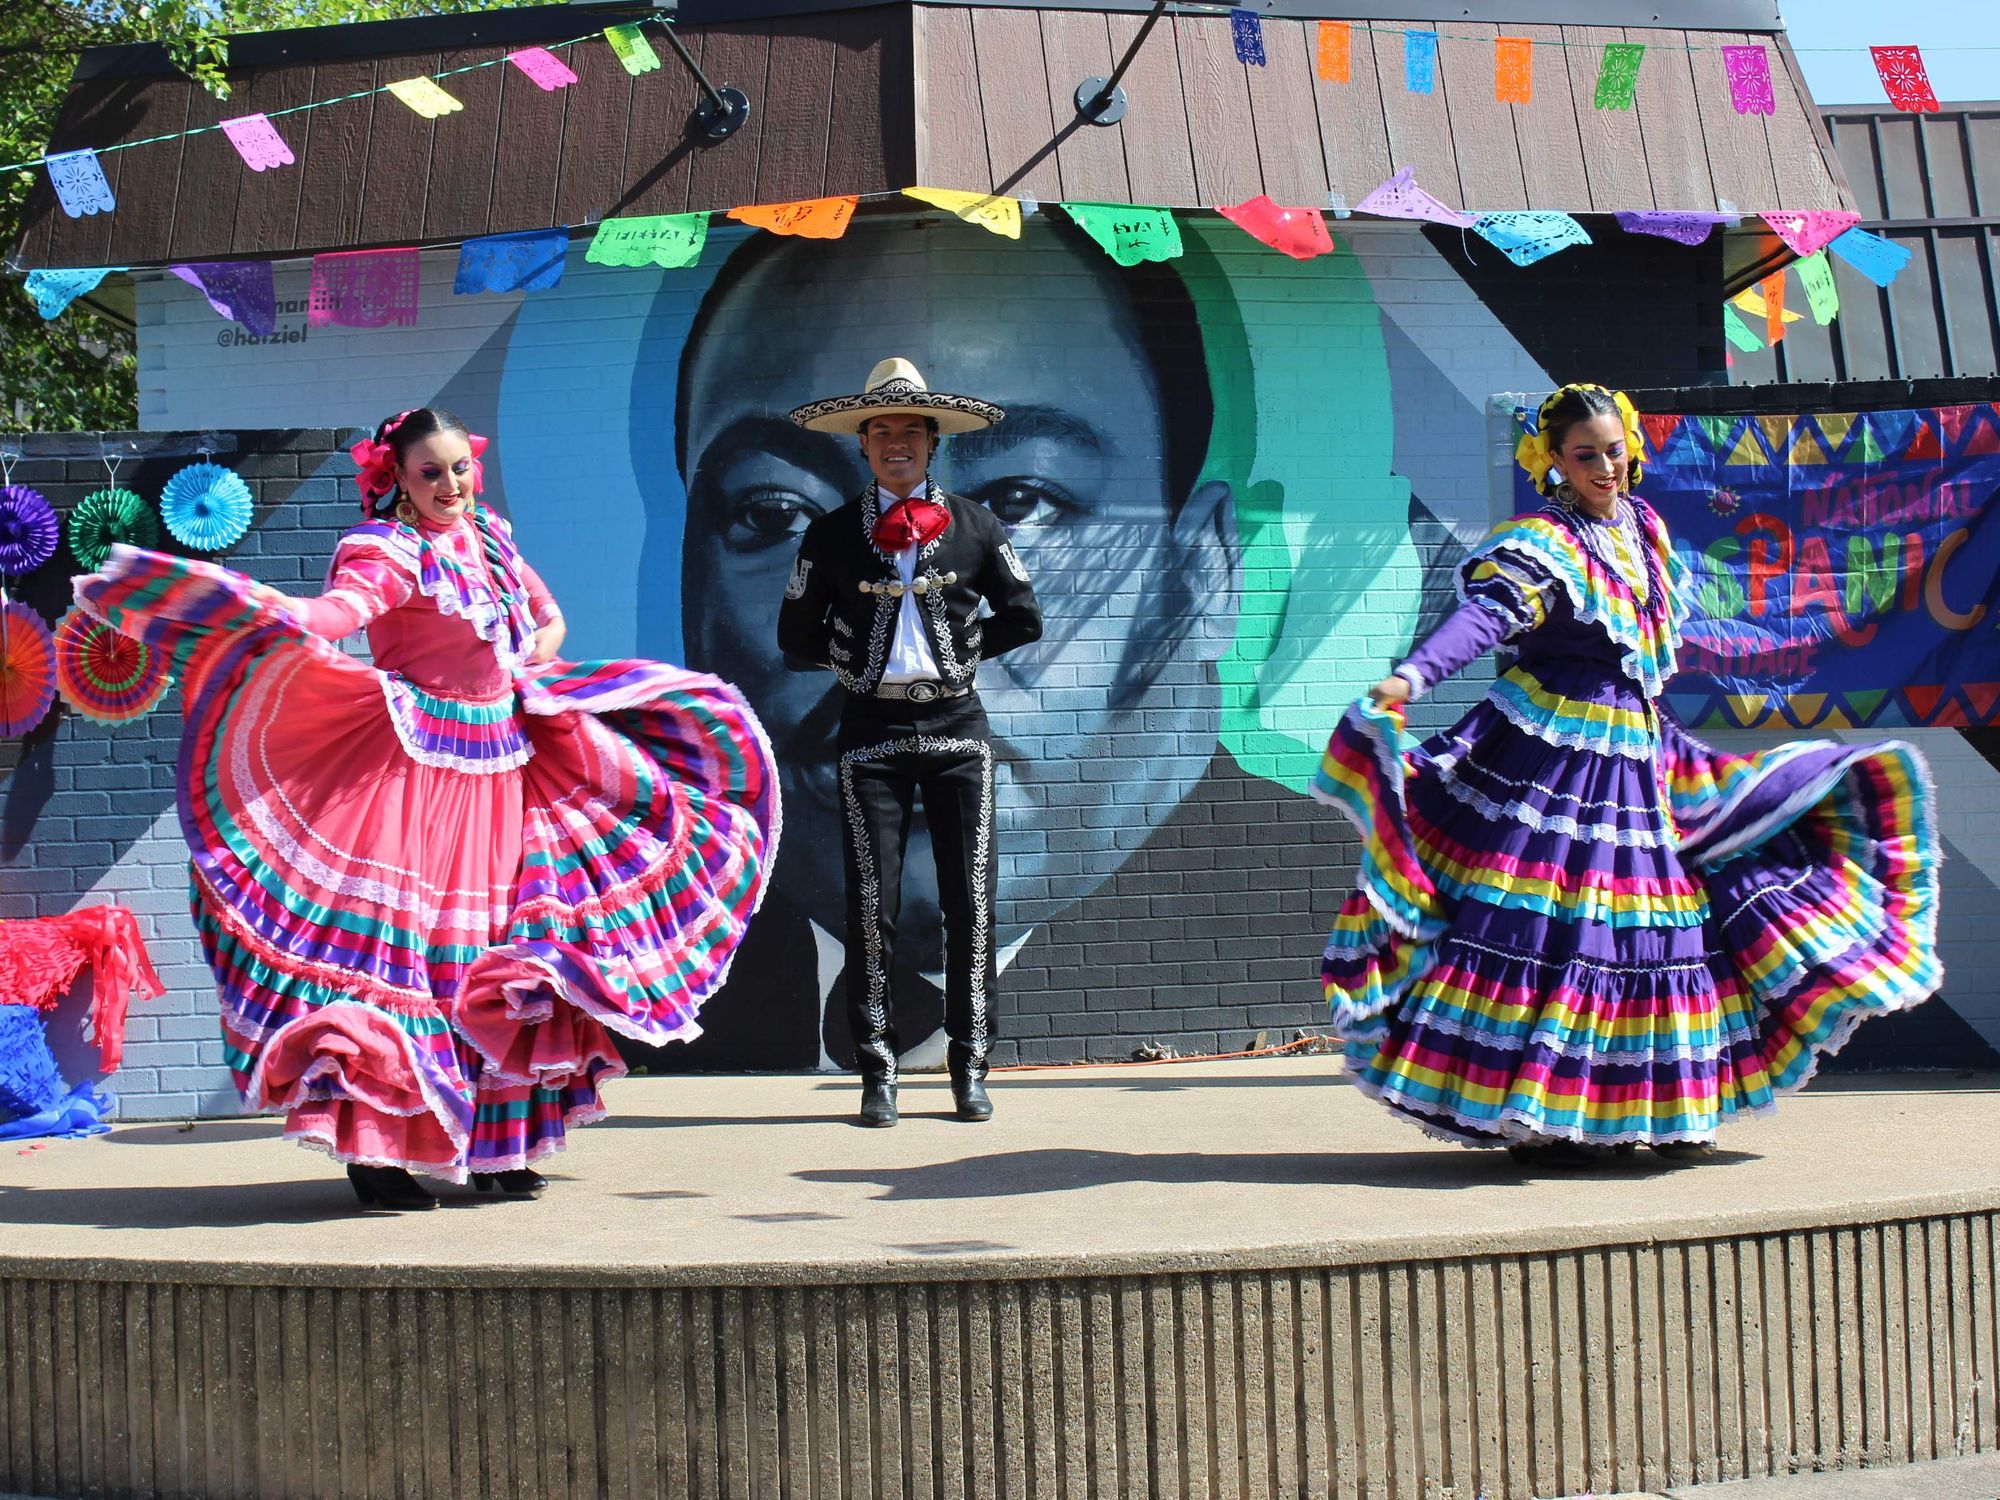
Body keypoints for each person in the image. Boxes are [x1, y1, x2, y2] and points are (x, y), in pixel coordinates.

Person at [75, 408, 778, 1209]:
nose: (451, 485)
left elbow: (549, 620)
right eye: (431, 474)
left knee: (504, 962)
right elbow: (335, 618)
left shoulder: (491, 538)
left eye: (459, 468)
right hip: (414, 777)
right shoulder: (385, 550)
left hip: (507, 763)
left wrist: (528, 662)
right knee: (405, 961)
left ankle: (496, 1150)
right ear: (398, 483)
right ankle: (377, 1155)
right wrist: (258, 611)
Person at [1314, 383, 1942, 1164]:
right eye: (1586, 456)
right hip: (1556, 757)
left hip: (1640, 749)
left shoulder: (1644, 528)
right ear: (1557, 464)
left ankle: (1659, 1112)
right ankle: (1545, 1114)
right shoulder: (1545, 542)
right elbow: (1486, 620)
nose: (1606, 466)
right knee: (1558, 926)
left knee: (1666, 919)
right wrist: (1411, 676)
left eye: (1614, 449)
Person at [776, 359, 1042, 1126]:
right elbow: (794, 634)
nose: (898, 444)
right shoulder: (829, 535)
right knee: (871, 907)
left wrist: (961, 652)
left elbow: (1024, 617)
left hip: (958, 732)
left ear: (934, 444)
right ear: (864, 444)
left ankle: (970, 1066)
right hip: (871, 733)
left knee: (971, 905)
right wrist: (854, 663)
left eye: (912, 432)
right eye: (883, 431)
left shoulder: (975, 523)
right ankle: (878, 1072)